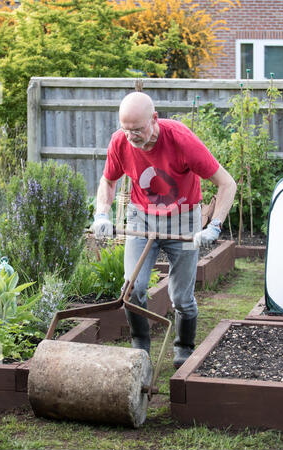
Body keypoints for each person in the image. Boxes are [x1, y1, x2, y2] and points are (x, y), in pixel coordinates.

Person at [92, 92, 237, 368]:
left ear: (154, 119)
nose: (131, 136)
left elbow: (227, 183)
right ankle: (140, 348)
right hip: (141, 217)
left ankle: (183, 347)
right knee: (132, 288)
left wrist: (214, 226)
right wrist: (102, 214)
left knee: (182, 296)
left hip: (183, 217)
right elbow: (108, 181)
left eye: (137, 129)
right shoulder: (120, 142)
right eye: (126, 129)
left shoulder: (181, 140)